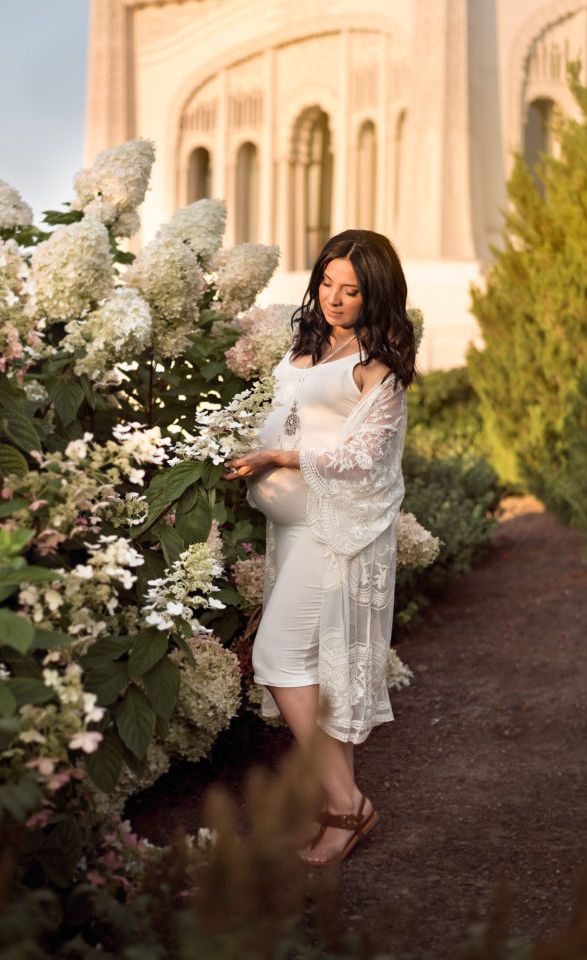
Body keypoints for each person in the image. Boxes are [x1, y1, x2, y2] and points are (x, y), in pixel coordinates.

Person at [224, 229, 415, 866]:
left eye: (351, 290)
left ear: (375, 293)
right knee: (318, 673)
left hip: (336, 532)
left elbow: (367, 454)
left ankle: (348, 806)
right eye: (327, 283)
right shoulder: (312, 340)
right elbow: (286, 407)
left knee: (278, 657)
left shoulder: (376, 362)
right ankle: (340, 808)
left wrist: (281, 454)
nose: (334, 299)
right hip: (293, 527)